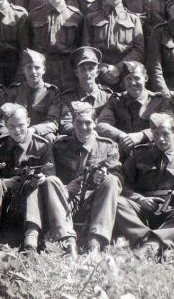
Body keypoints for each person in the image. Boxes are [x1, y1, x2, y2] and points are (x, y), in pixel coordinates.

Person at [0, 103, 76, 252]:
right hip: (6, 206)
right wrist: (5, 183)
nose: (17, 130)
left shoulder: (42, 145)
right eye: (11, 126)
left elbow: (51, 176)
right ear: (5, 125)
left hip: (36, 206)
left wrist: (41, 179)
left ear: (29, 123)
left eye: (21, 125)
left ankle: (32, 241)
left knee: (37, 183)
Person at [114, 113, 174, 258]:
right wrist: (140, 199)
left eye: (166, 134)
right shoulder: (139, 153)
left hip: (170, 211)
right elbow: (123, 186)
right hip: (141, 208)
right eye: (156, 134)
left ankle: (149, 247)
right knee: (117, 203)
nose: (160, 139)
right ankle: (153, 242)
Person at [52, 101, 122, 253]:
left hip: (95, 204)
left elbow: (118, 177)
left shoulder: (108, 146)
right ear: (72, 123)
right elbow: (50, 177)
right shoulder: (59, 146)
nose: (83, 128)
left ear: (95, 123)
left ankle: (95, 244)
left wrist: (104, 175)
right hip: (66, 201)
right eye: (79, 123)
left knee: (111, 180)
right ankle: (68, 245)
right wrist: (65, 188)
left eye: (88, 123)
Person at [81, 0, 144, 89]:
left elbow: (139, 50)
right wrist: (102, 68)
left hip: (127, 73)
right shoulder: (90, 18)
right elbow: (86, 48)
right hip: (99, 74)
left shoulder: (133, 19)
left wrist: (118, 68)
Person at [24, 0, 83, 90]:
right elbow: (27, 44)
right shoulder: (34, 15)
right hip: (42, 66)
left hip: (67, 67)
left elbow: (80, 45)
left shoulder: (75, 16)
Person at [97, 61, 165, 155]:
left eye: (137, 78)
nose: (132, 83)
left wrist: (142, 135)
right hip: (124, 153)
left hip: (151, 154)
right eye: (128, 79)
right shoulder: (116, 100)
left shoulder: (158, 100)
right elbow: (102, 124)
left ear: (145, 78)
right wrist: (122, 136)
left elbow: (170, 126)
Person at [0, 49, 60, 139]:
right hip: (15, 135)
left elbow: (53, 122)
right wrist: (9, 134)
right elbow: (1, 120)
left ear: (44, 70)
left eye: (37, 67)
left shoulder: (51, 93)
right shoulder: (13, 91)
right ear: (23, 70)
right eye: (29, 67)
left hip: (39, 135)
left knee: (50, 137)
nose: (33, 71)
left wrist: (33, 130)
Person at [49, 47, 113, 136]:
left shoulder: (107, 96)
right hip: (76, 141)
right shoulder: (67, 97)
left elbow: (110, 122)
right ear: (76, 72)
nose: (87, 73)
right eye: (83, 69)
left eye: (91, 68)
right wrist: (82, 132)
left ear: (97, 72)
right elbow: (65, 124)